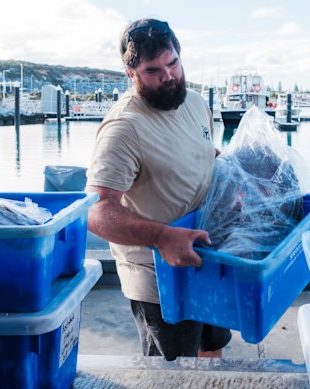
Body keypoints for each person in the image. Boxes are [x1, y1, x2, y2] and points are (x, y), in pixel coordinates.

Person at [85, 18, 231, 361]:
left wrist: (235, 184)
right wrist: (163, 236)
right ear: (130, 72)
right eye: (153, 70)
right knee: (175, 372)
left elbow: (205, 155)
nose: (168, 76)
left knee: (212, 352)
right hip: (160, 281)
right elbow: (96, 210)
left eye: (173, 63)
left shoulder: (195, 102)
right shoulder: (124, 128)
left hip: (206, 261)